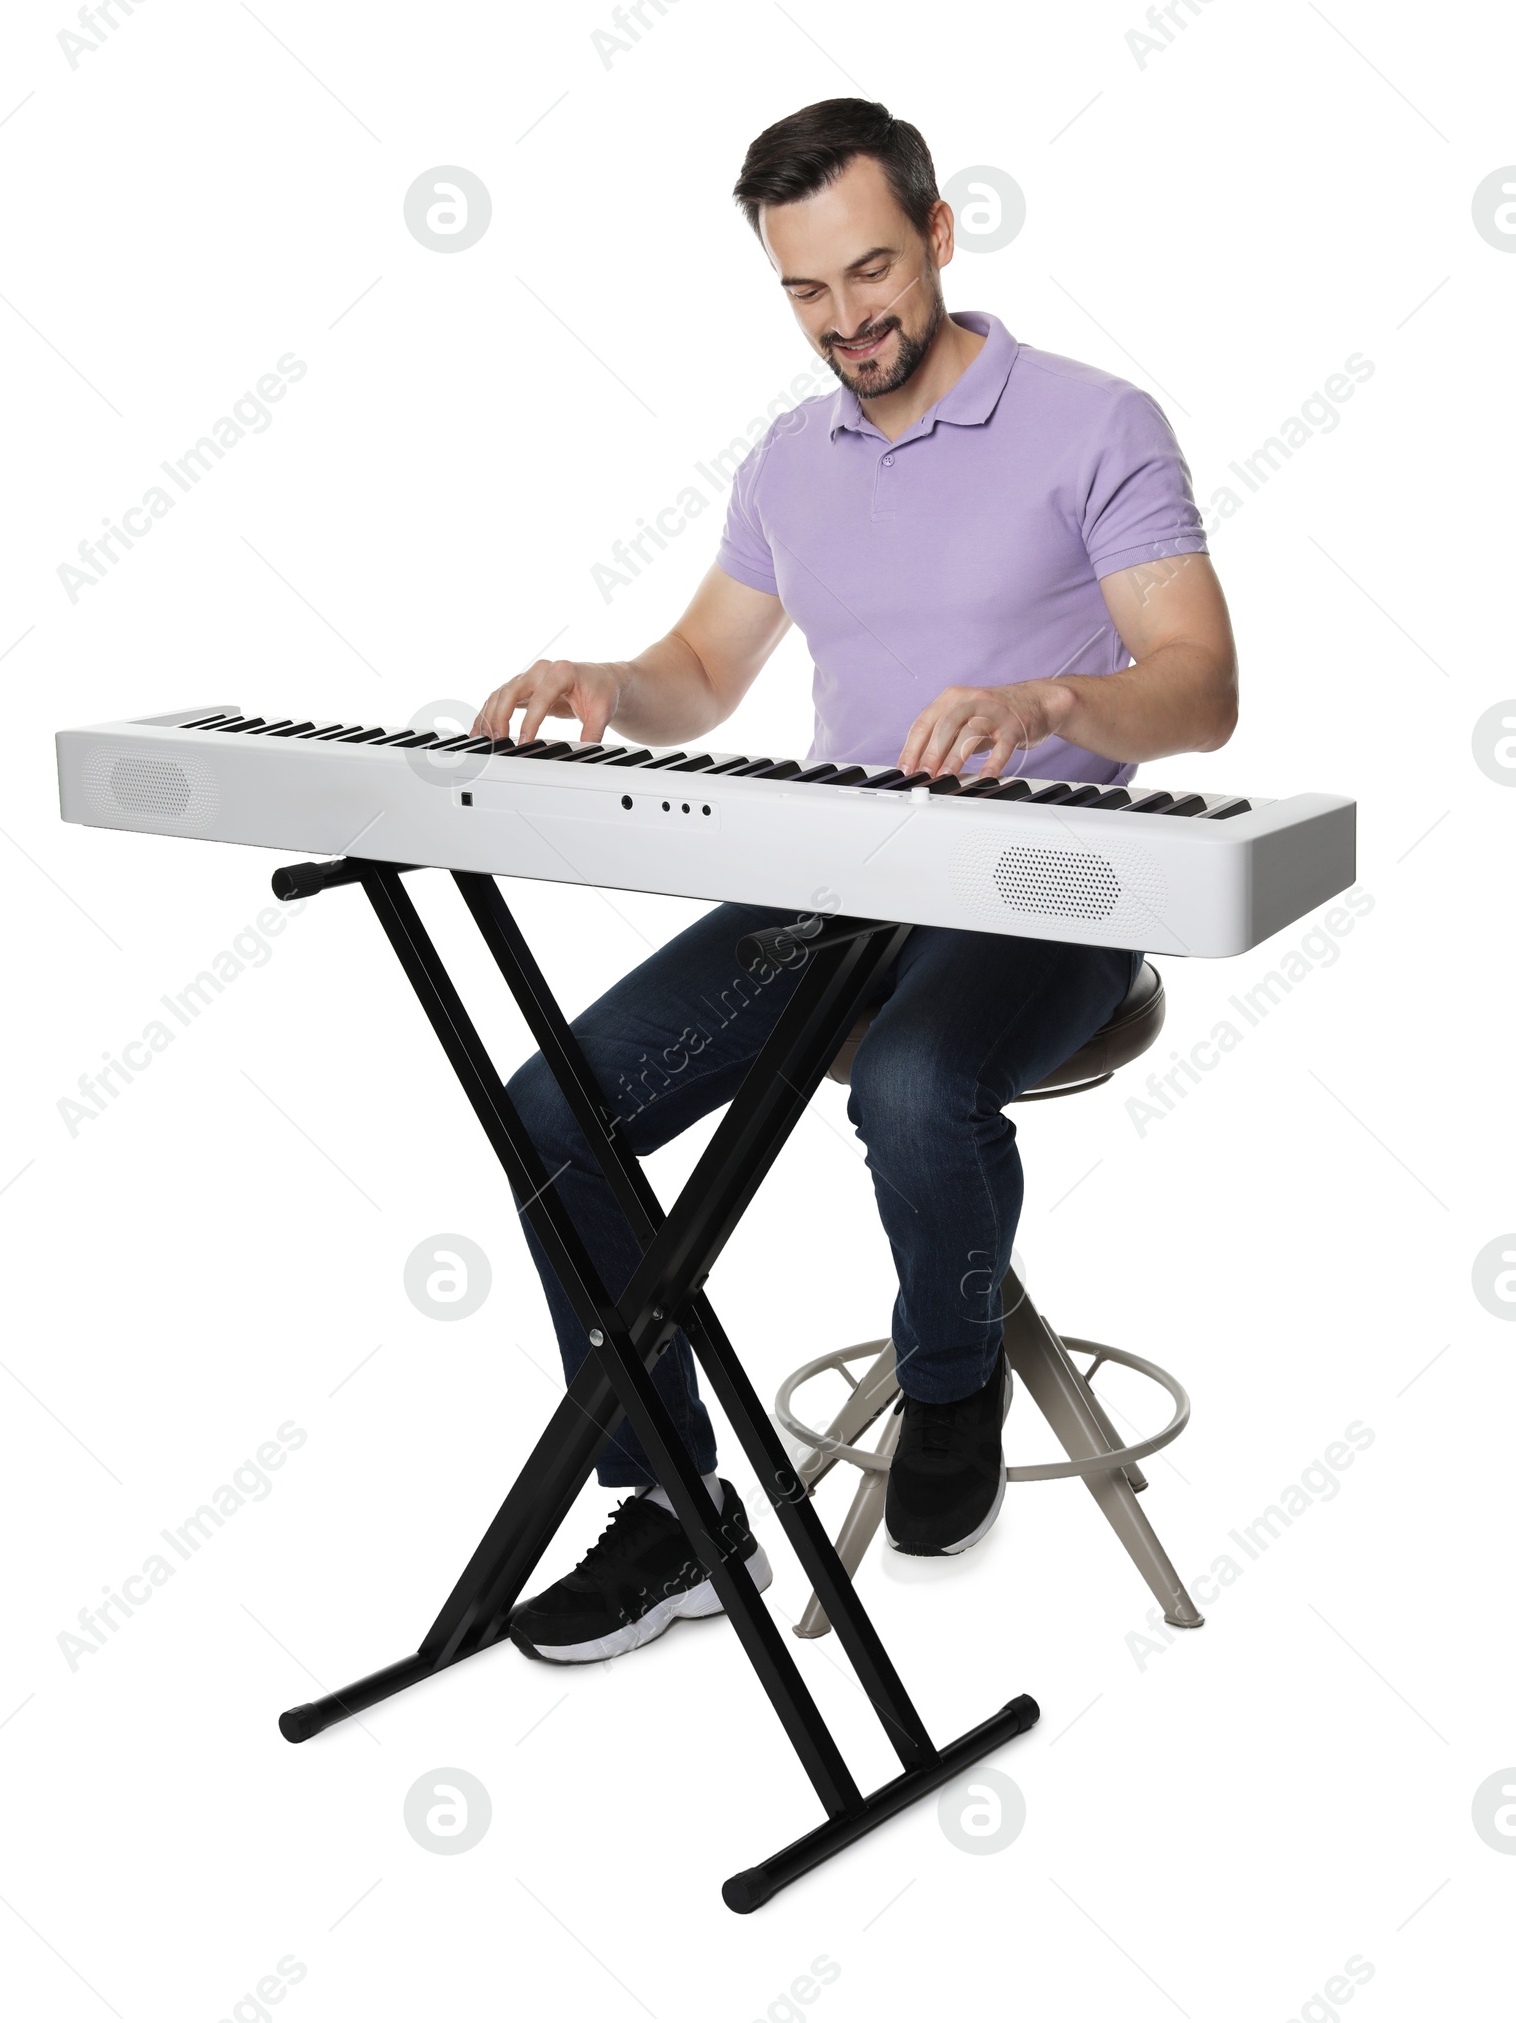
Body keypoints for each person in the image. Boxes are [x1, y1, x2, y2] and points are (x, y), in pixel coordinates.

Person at [477, 97, 1237, 1665]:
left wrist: (1051, 707)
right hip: (834, 887)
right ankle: (676, 1506)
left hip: (1052, 885)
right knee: (553, 1111)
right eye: (805, 293)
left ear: (942, 234)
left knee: (907, 1081)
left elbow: (1203, 685)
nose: (847, 322)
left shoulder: (1097, 422)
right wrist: (611, 684)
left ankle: (949, 1378)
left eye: (872, 274)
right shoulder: (790, 457)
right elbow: (703, 666)